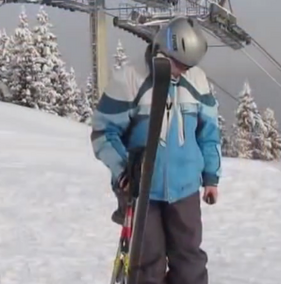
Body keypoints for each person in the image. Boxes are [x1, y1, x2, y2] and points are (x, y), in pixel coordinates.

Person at [90, 17, 222, 284]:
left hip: (184, 190)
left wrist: (211, 177)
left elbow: (209, 134)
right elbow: (103, 133)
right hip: (143, 190)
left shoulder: (196, 81)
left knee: (190, 263)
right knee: (147, 265)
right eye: (180, 64)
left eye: (189, 66)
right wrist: (124, 171)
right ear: (164, 51)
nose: (183, 71)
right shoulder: (130, 78)